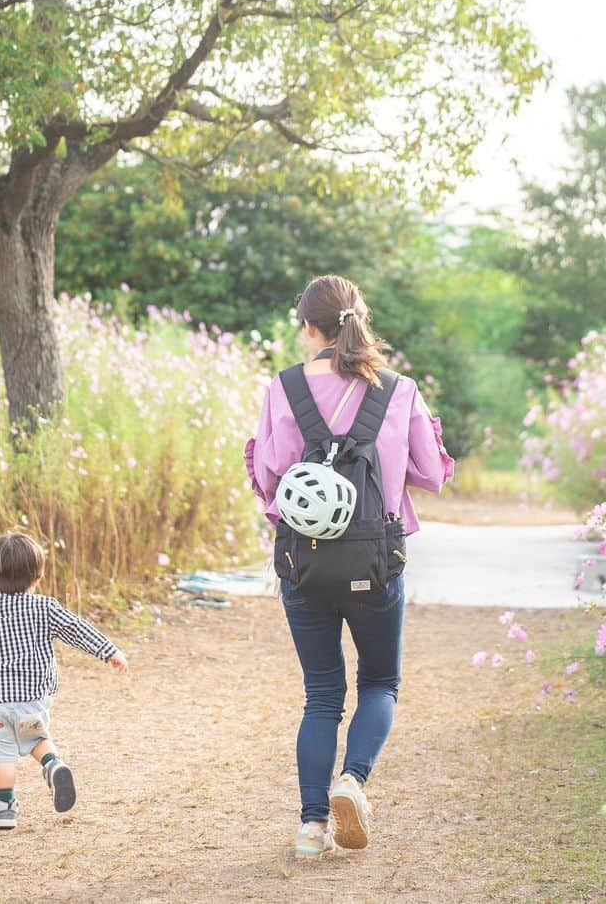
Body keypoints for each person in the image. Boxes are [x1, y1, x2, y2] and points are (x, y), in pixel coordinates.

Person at [245, 274, 454, 860]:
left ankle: (312, 828)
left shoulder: (282, 388)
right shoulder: (399, 389)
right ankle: (352, 781)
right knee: (381, 681)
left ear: (308, 327)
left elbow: (269, 478)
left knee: (321, 694)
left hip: (303, 562)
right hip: (374, 559)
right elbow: (432, 475)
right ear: (359, 320)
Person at [0, 531, 128, 829]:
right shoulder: (44, 608)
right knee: (37, 739)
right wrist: (109, 651)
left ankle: (3, 811)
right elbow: (77, 630)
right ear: (36, 577)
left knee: (2, 756)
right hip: (30, 702)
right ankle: (52, 765)